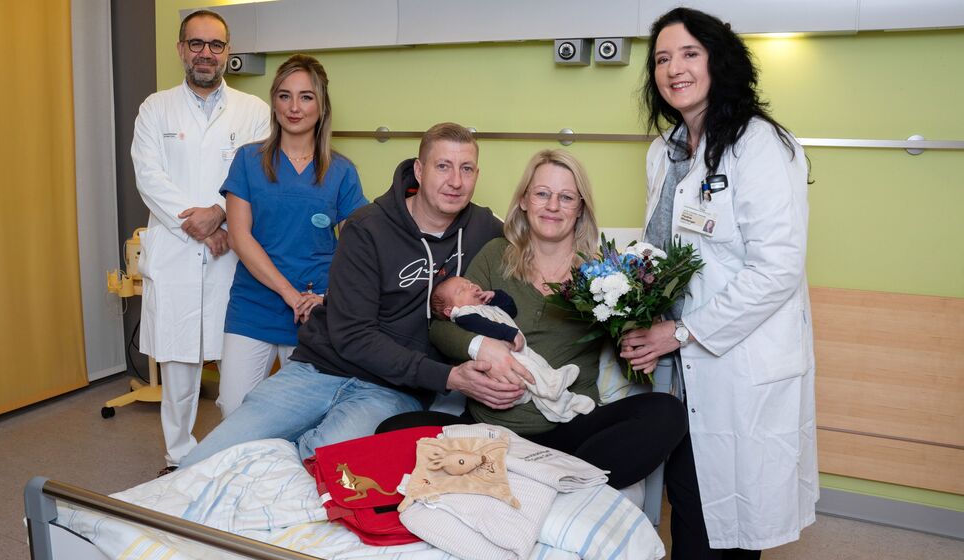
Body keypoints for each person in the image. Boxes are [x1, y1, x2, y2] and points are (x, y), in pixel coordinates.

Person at [179, 123, 507, 467]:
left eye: (466, 169)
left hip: (393, 389)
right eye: (443, 166)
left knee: (321, 475)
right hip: (319, 369)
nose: (455, 181)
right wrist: (447, 377)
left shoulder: (485, 230)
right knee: (201, 464)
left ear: (476, 174)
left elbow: (539, 252)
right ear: (420, 170)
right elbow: (353, 336)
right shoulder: (368, 228)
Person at [621, 7, 817, 560]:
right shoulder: (664, 152)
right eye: (662, 58)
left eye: (688, 53)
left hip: (735, 360)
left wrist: (680, 333)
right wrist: (630, 310)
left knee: (724, 522)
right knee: (689, 506)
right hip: (679, 367)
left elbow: (777, 267)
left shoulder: (759, 144)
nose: (673, 68)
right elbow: (659, 252)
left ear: (718, 60)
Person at [382, 149, 687, 490]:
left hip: (570, 430)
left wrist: (636, 343)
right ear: (525, 200)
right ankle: (539, 481)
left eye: (566, 197)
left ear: (580, 207)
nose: (553, 206)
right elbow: (441, 326)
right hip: (489, 431)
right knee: (392, 432)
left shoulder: (603, 274)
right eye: (542, 194)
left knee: (667, 413)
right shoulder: (495, 254)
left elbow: (626, 345)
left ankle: (548, 479)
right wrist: (481, 347)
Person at [131, 9, 270, 473]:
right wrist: (198, 222)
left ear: (227, 52)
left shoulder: (254, 112)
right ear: (180, 50)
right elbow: (149, 177)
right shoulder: (155, 108)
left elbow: (258, 177)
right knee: (179, 363)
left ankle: (239, 454)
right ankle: (178, 458)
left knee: (239, 364)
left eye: (215, 45)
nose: (206, 54)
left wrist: (221, 215)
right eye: (196, 44)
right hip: (177, 248)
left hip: (233, 247)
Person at [216, 54, 368, 419]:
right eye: (285, 96)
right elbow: (239, 236)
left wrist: (326, 299)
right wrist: (289, 294)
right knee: (234, 409)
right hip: (256, 303)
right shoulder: (249, 160)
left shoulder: (342, 172)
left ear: (322, 105)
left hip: (315, 309)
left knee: (306, 415)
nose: (294, 107)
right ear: (274, 102)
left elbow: (356, 249)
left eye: (306, 97)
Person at [431, 276, 595, 422]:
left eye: (470, 283)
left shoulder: (487, 307)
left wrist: (496, 296)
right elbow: (485, 326)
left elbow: (511, 309)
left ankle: (564, 404)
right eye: (462, 290)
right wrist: (509, 334)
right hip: (503, 360)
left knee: (539, 365)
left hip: (519, 352)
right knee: (530, 371)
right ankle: (552, 384)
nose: (471, 286)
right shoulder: (465, 315)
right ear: (449, 311)